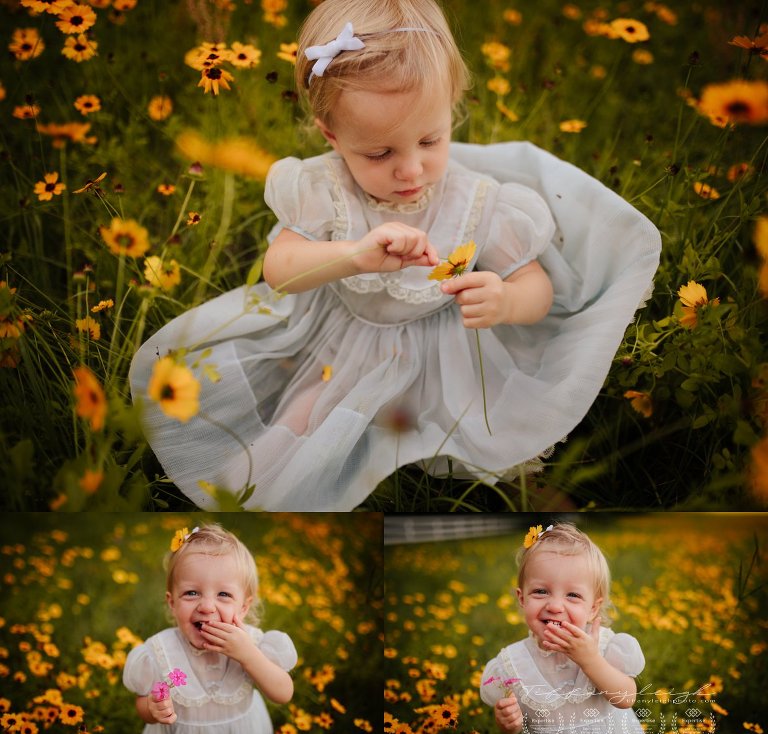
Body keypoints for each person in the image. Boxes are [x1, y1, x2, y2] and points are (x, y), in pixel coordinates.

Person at [128, 0, 660, 512]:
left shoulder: (478, 202)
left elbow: (536, 288)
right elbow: (279, 272)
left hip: (443, 349)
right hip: (342, 339)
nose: (410, 170)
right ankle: (246, 493)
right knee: (305, 415)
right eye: (380, 153)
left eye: (430, 141)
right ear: (332, 136)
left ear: (451, 111)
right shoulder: (325, 189)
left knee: (486, 435)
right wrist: (352, 256)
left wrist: (505, 299)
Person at [479, 522, 657, 734]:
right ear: (522, 598)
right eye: (540, 591)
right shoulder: (514, 663)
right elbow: (513, 728)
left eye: (572, 595)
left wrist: (590, 660)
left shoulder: (604, 646)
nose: (554, 606)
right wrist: (508, 722)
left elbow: (626, 699)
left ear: (593, 608)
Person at [123, 524, 297, 734]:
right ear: (172, 603)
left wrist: (249, 656)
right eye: (191, 593)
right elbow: (142, 704)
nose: (206, 607)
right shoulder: (161, 652)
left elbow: (283, 693)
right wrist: (152, 709)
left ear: (243, 607)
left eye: (223, 595)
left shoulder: (253, 644)